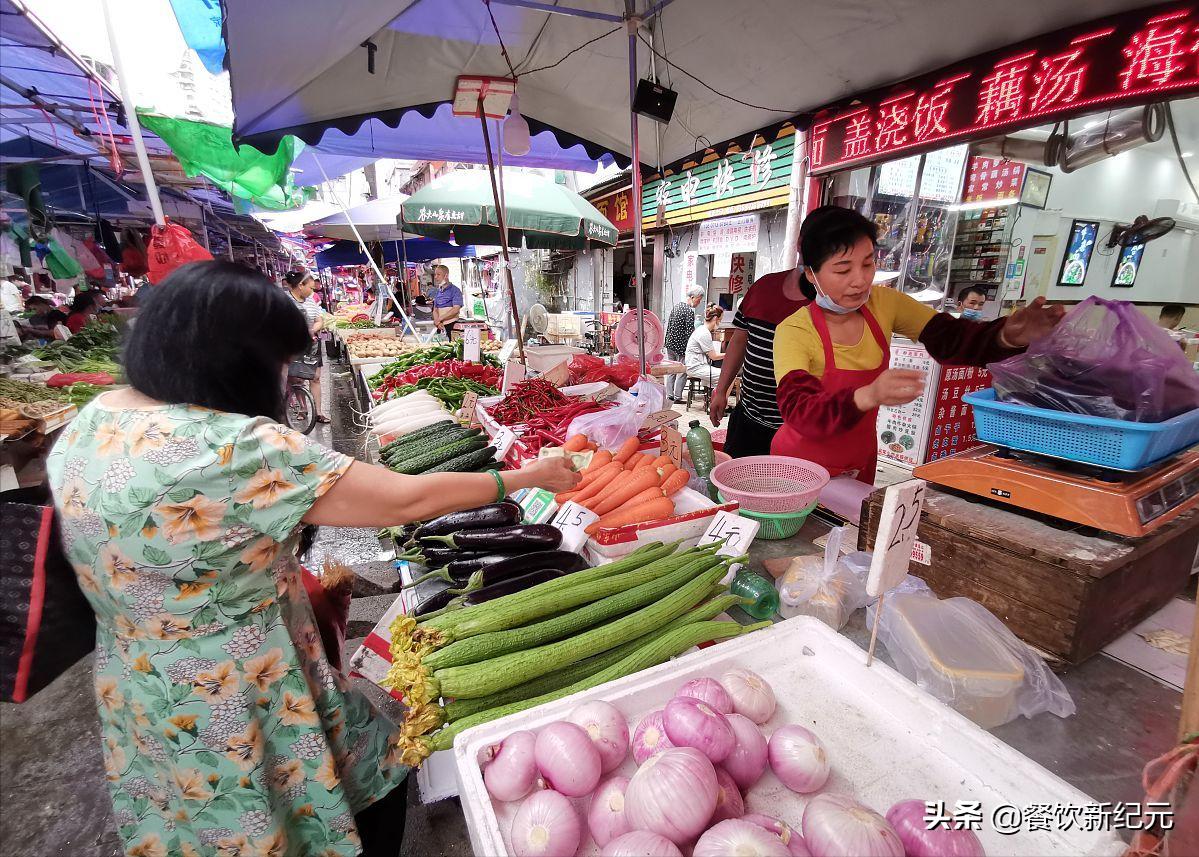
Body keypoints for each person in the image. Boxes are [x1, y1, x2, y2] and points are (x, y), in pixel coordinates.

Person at [46, 261, 578, 857]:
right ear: (235, 358)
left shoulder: (87, 425)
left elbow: (176, 555)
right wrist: (526, 477)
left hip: (144, 690)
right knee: (338, 802)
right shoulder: (237, 449)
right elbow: (406, 497)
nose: (283, 375)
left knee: (205, 828)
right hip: (250, 689)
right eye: (280, 360)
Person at [773, 206, 1064, 484]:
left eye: (868, 263)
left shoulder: (884, 304)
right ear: (811, 274)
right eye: (842, 270)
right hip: (798, 469)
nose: (860, 281)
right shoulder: (795, 330)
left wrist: (1007, 336)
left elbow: (950, 337)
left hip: (858, 464)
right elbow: (800, 409)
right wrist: (868, 394)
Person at [709, 269, 809, 457]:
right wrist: (721, 391)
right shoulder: (763, 286)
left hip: (799, 432)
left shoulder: (831, 302)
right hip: (749, 418)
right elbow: (739, 341)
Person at [285, 269, 331, 424]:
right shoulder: (284, 300)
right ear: (300, 285)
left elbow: (319, 320)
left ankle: (319, 413)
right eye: (310, 288)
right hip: (293, 345)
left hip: (311, 344)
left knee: (315, 378)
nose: (312, 291)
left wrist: (312, 329)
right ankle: (302, 408)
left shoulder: (310, 301)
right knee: (297, 379)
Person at [664, 286, 705, 402]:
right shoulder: (688, 311)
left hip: (670, 344)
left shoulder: (676, 306)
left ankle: (669, 395)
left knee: (671, 370)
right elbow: (690, 333)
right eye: (699, 299)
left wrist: (666, 342)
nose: (699, 302)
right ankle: (677, 396)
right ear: (692, 297)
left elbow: (669, 325)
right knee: (682, 371)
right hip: (681, 347)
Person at [685, 304, 725, 390]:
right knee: (728, 376)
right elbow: (714, 357)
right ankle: (719, 401)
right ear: (715, 319)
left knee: (724, 376)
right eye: (720, 320)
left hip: (697, 366)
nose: (720, 323)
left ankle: (713, 400)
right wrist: (729, 354)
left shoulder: (702, 330)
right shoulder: (704, 333)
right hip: (696, 368)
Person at [431, 264, 463, 338]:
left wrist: (439, 319)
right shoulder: (438, 291)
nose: (435, 277)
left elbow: (455, 309)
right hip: (440, 326)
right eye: (435, 274)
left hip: (452, 326)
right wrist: (437, 322)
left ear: (446, 275)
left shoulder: (455, 290)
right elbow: (435, 309)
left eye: (438, 274)